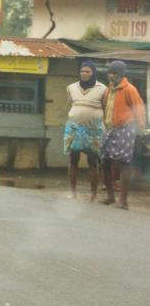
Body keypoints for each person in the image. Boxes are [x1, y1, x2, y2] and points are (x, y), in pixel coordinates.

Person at [100, 60, 146, 210]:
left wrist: (140, 128)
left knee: (123, 162)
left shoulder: (129, 89)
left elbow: (139, 108)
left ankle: (123, 201)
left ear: (121, 74)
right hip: (110, 128)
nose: (112, 76)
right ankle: (110, 197)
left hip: (126, 127)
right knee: (105, 161)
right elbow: (106, 108)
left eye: (115, 73)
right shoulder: (108, 90)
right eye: (110, 73)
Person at [64, 60, 106, 201]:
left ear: (93, 72)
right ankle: (72, 192)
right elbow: (71, 105)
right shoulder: (71, 87)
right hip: (74, 129)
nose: (84, 73)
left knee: (93, 162)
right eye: (82, 71)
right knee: (73, 160)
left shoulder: (103, 89)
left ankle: (93, 194)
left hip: (93, 131)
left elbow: (105, 108)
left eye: (87, 71)